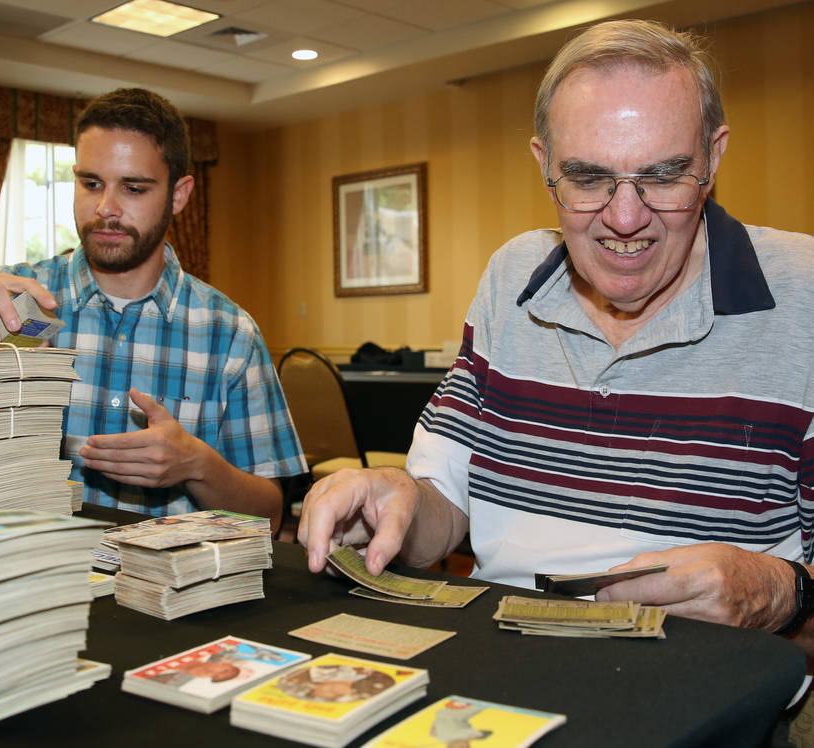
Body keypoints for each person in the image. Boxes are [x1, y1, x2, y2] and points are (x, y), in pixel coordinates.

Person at [298, 19, 814, 652]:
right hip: (494, 666)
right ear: (544, 163)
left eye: (664, 175)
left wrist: (781, 593)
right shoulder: (511, 277)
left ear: (713, 156)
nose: (626, 218)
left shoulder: (804, 295)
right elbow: (443, 511)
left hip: (703, 691)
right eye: (589, 179)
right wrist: (394, 502)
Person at [0, 88, 305, 524]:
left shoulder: (230, 332)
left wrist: (200, 467)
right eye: (90, 182)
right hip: (16, 580)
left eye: (134, 189)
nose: (105, 207)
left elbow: (270, 517)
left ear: (179, 195)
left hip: (165, 599)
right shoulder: (13, 300)